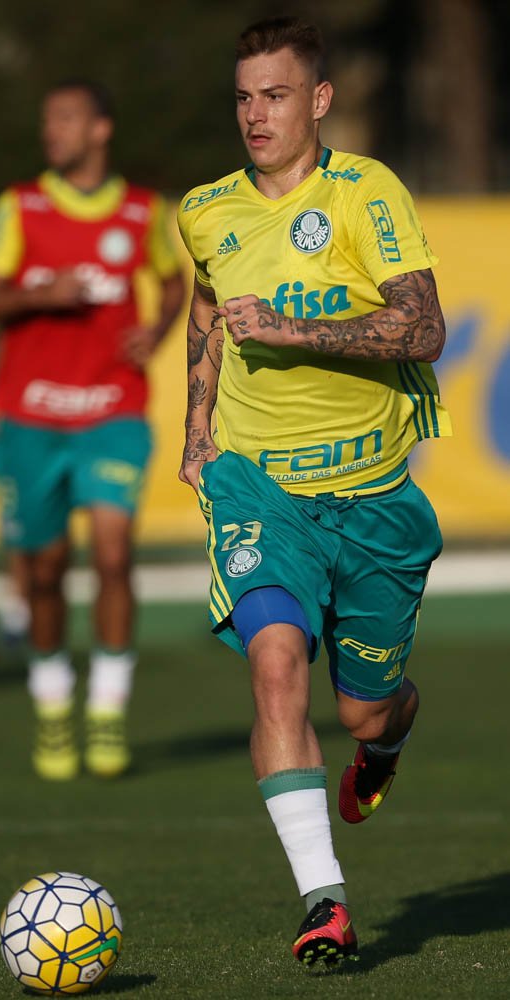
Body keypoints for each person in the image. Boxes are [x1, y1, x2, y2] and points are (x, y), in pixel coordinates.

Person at [176, 16, 450, 967]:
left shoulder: (366, 193)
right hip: (261, 490)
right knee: (274, 663)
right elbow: (205, 309)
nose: (256, 114)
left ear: (319, 100)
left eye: (277, 94)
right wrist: (197, 428)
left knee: (364, 710)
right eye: (244, 97)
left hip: (372, 498)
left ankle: (381, 748)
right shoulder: (205, 209)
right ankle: (322, 902)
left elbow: (420, 328)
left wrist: (294, 330)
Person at [0, 78, 185, 780]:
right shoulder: (19, 207)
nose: (50, 131)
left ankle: (109, 707)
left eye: (64, 118)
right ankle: (53, 699)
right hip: (30, 418)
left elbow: (174, 280)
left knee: (114, 553)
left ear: (100, 129)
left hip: (112, 411)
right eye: (45, 119)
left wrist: (155, 328)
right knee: (46, 569)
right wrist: (39, 293)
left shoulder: (141, 210)